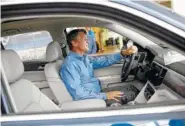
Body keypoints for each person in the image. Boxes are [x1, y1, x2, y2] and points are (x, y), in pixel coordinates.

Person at [60, 29, 138, 102]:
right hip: (93, 100)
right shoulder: (69, 65)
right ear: (74, 43)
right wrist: (106, 96)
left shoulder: (84, 58)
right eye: (84, 39)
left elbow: (103, 61)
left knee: (131, 88)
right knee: (133, 94)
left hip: (98, 93)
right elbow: (78, 94)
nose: (88, 41)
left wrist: (123, 53)